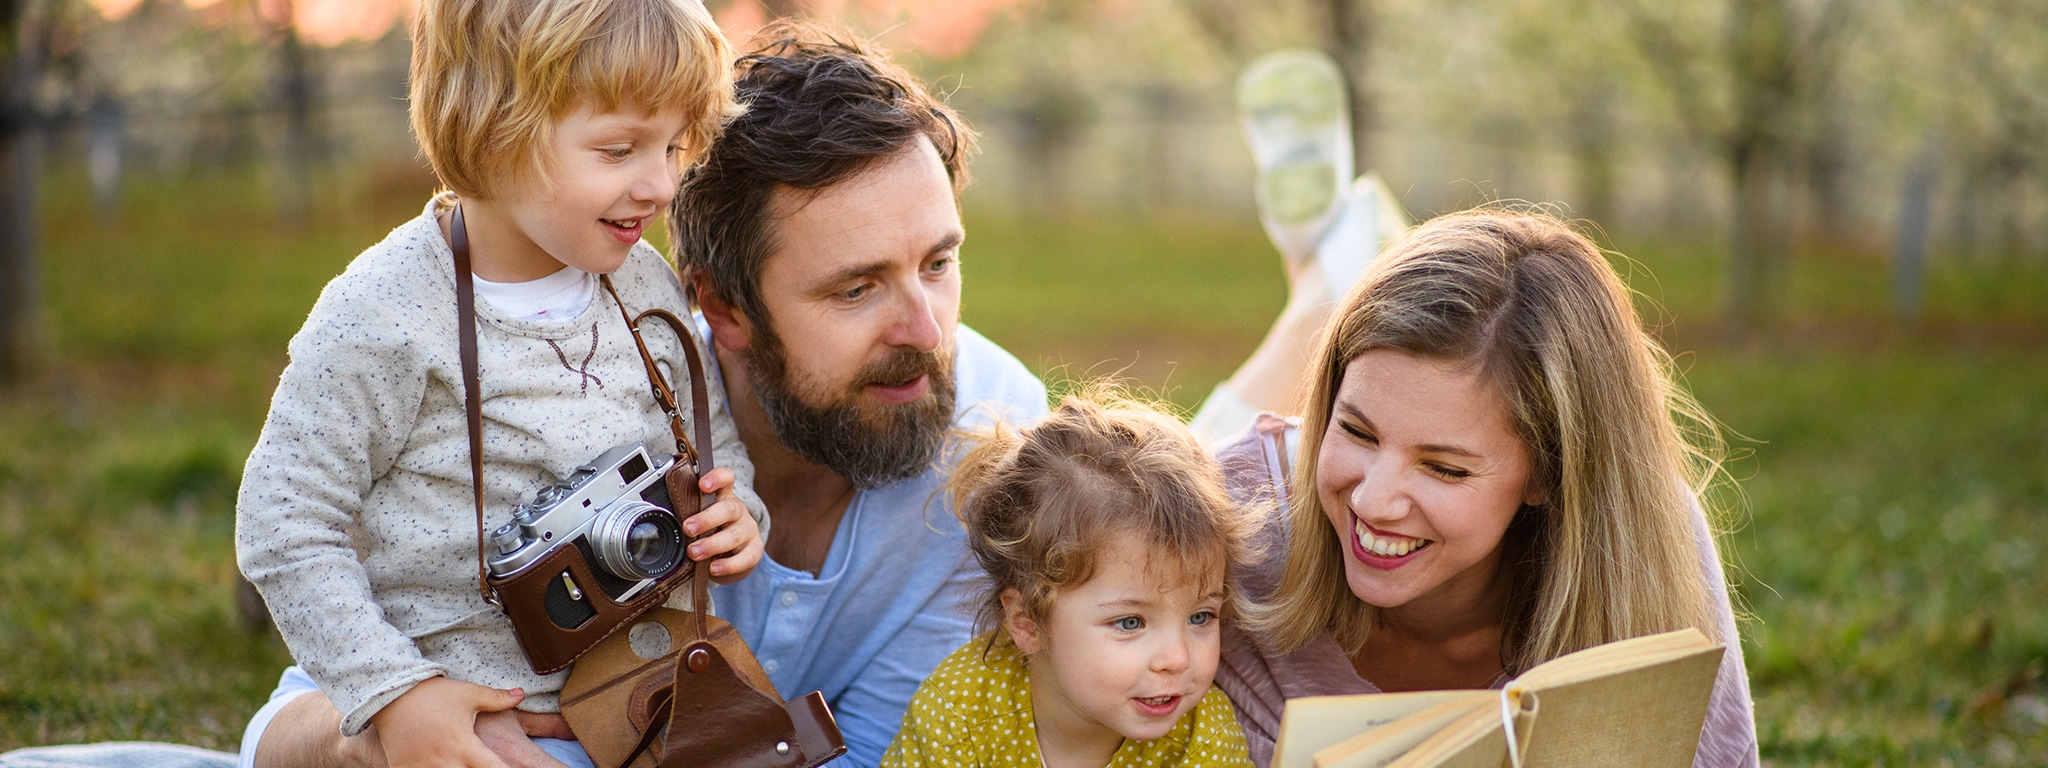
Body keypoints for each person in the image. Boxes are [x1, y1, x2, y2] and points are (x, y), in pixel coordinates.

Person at [238, 18, 1049, 768]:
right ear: (720, 309)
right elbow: (286, 726)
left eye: (939, 264)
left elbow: (887, 749)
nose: (927, 331)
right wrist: (385, 732)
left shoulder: (993, 434)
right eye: (855, 289)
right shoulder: (590, 395)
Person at [230, 1, 767, 767]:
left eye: (676, 145)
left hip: (633, 710)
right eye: (619, 149)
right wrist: (395, 695)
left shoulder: (645, 283)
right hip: (438, 721)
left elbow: (710, 445)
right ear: (493, 125)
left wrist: (735, 513)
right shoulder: (384, 313)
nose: (660, 184)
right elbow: (283, 519)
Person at [1208, 209, 1760, 768]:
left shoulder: (1643, 539)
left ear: (1550, 473)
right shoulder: (1226, 519)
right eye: (1355, 430)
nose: (1372, 501)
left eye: (1444, 468)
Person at [882, 394, 1261, 768]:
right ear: (1026, 621)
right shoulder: (960, 711)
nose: (1176, 659)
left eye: (1201, 617)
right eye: (1130, 622)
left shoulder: (1200, 735)